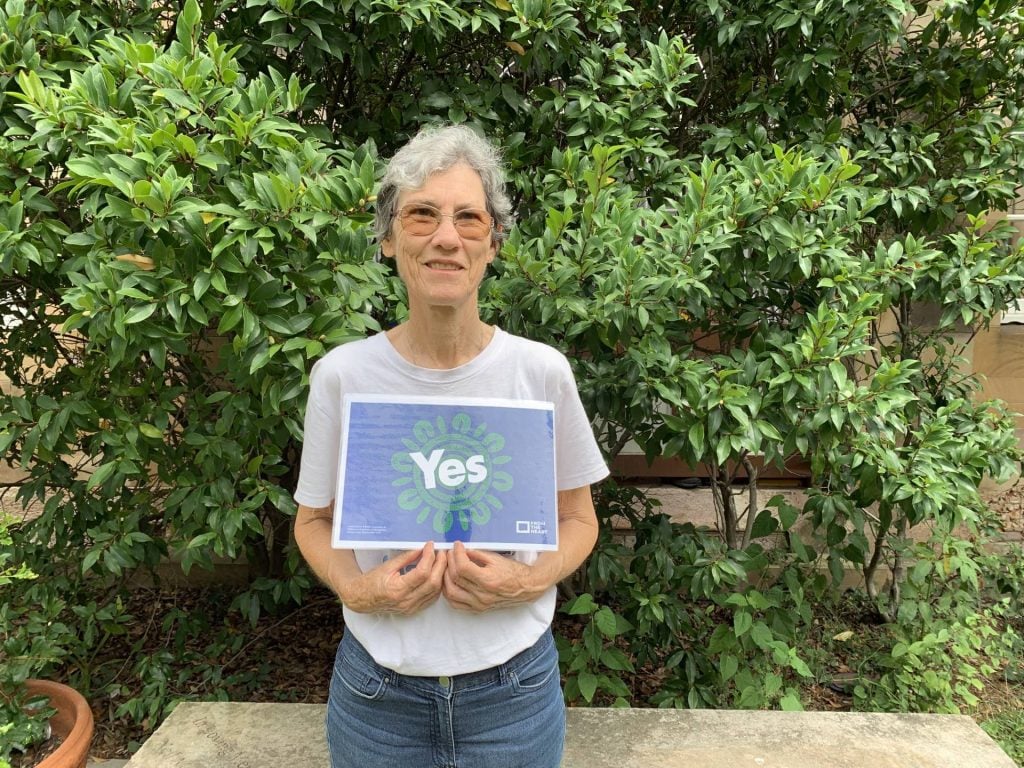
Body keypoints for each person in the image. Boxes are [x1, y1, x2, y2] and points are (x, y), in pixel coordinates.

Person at [292, 124, 608, 768]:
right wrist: (355, 589)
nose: (446, 236)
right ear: (387, 239)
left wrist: (529, 579)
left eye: (469, 217)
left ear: (492, 243)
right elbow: (312, 524)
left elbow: (578, 519)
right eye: (422, 215)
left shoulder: (540, 372)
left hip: (514, 694)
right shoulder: (342, 376)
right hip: (376, 696)